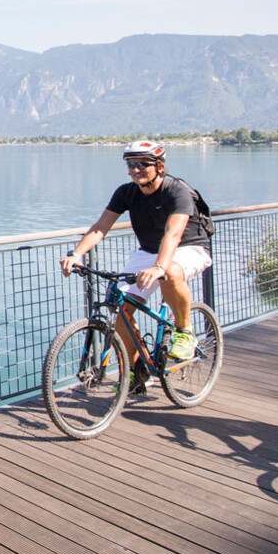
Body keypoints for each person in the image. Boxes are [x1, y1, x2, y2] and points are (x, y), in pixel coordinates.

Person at [58, 140, 213, 386]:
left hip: (188, 247)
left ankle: (185, 332)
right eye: (131, 164)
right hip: (149, 251)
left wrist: (160, 267)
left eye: (143, 164)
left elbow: (173, 234)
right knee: (119, 303)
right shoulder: (126, 192)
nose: (135, 169)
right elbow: (100, 228)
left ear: (160, 167)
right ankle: (135, 368)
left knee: (170, 272)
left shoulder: (176, 191)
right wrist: (76, 254)